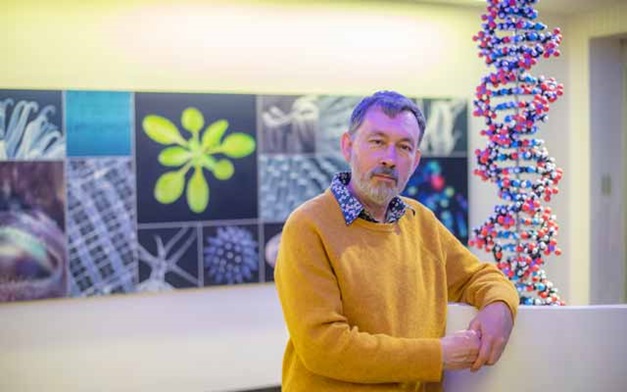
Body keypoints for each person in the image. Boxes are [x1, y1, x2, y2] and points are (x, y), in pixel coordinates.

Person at [274, 90, 519, 391]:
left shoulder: (422, 221)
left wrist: (500, 307)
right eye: (377, 142)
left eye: (403, 147)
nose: (389, 159)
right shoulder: (308, 226)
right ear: (348, 146)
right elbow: (324, 347)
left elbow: (480, 277)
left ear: (415, 161)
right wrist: (438, 354)